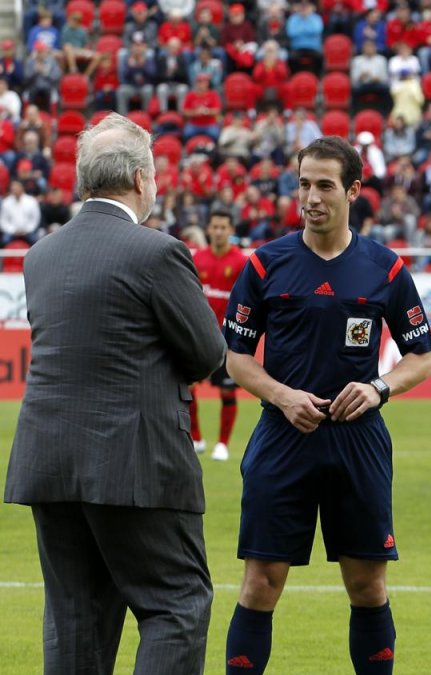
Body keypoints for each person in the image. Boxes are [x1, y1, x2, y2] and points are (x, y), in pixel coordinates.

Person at [4, 113, 226, 674]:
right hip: (137, 464)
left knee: (75, 621)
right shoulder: (157, 252)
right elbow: (207, 353)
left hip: (50, 463)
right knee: (175, 605)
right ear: (139, 178)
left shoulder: (40, 256)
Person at [221, 136, 431, 675]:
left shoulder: (385, 269)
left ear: (354, 190)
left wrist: (378, 388)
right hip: (282, 437)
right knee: (260, 584)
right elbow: (236, 359)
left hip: (357, 440)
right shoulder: (264, 265)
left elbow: (422, 358)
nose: (311, 197)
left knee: (367, 585)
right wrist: (281, 394)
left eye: (324, 185)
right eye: (303, 184)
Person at [190, 211, 249, 462]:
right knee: (188, 388)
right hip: (198, 336)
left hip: (226, 339)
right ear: (208, 229)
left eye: (223, 227)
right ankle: (195, 438)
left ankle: (222, 444)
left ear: (231, 230)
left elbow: (245, 301)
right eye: (214, 227)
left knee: (227, 392)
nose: (218, 231)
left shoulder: (239, 262)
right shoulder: (197, 259)